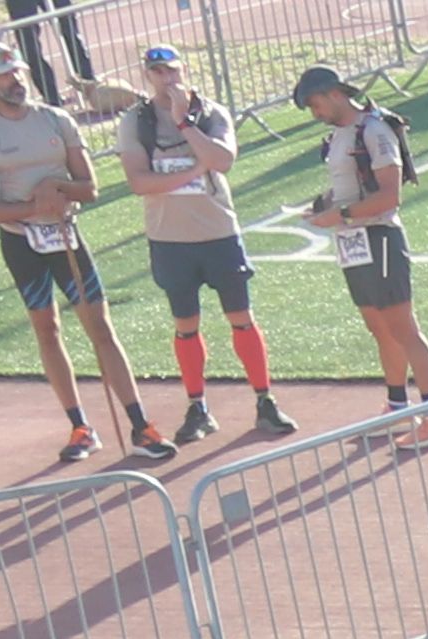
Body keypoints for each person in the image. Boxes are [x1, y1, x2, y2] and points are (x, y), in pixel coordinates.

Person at [0, 61, 164, 468]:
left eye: (19, 73)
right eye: (5, 76)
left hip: (65, 236)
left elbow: (89, 187)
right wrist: (31, 206)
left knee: (99, 327)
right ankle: (80, 427)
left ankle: (140, 424)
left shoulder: (55, 119)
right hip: (22, 242)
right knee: (47, 329)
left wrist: (57, 189)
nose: (16, 81)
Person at [120, 42, 280, 448]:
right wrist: (194, 168)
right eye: (157, 72)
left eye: (172, 70)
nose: (166, 78)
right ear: (147, 75)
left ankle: (264, 400)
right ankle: (198, 408)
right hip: (170, 240)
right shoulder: (135, 121)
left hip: (218, 235)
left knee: (241, 317)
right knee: (185, 326)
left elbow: (223, 160)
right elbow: (139, 182)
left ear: (183, 70)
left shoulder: (210, 113)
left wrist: (184, 123)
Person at [290, 62, 428, 412]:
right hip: (353, 244)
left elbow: (389, 196)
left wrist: (337, 215)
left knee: (403, 329)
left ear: (335, 93)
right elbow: (352, 186)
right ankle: (398, 406)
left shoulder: (374, 130)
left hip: (380, 240)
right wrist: (324, 205)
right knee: (380, 329)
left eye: (316, 103)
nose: (315, 113)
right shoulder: (341, 133)